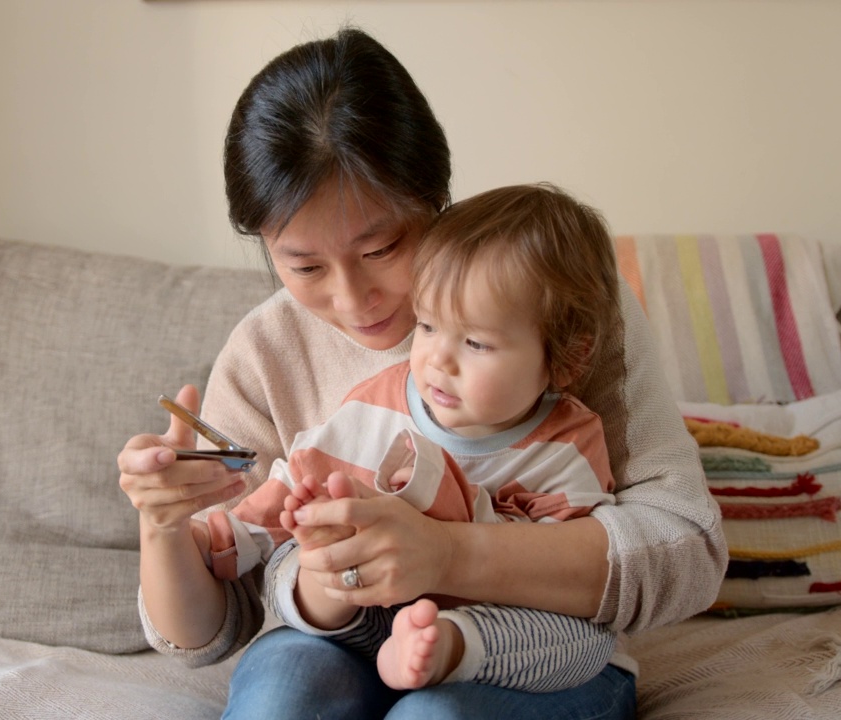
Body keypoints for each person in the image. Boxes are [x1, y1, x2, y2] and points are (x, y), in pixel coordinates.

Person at [117, 26, 727, 720]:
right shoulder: (267, 349)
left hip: (522, 648)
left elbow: (690, 547)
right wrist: (163, 527)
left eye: (382, 247)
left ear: (436, 198)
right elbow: (201, 635)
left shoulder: (554, 301)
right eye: (305, 267)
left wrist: (446, 554)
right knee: (281, 697)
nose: (353, 300)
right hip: (334, 644)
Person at [198, 184, 622, 693]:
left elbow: (563, 564)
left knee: (586, 639)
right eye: (427, 326)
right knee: (311, 574)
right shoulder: (380, 403)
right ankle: (411, 644)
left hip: (500, 630)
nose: (437, 361)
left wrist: (444, 503)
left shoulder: (568, 442)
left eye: (476, 342)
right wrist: (228, 537)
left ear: (569, 358)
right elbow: (296, 477)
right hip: (383, 618)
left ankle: (448, 648)